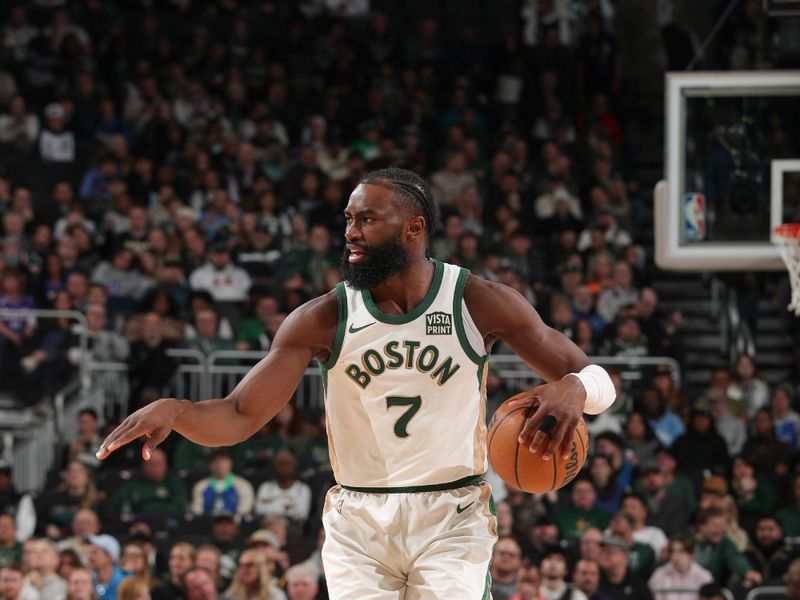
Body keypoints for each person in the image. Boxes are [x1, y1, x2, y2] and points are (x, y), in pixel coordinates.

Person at [98, 168, 616, 598]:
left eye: (367, 219)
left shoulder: (475, 300)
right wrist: (177, 410)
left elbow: (597, 378)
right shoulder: (321, 317)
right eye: (348, 218)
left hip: (451, 513)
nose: (351, 231)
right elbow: (239, 415)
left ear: (414, 228)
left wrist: (574, 387)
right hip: (358, 519)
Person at [191, 450, 254, 518]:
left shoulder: (243, 484)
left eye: (223, 461)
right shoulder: (200, 485)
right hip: (206, 523)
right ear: (209, 465)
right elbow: (197, 509)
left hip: (234, 523)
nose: (219, 464)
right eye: (215, 461)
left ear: (231, 463)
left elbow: (245, 509)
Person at [648, 536, 713, 600]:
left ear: (691, 554)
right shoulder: (659, 574)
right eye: (672, 552)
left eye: (680, 552)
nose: (674, 557)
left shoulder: (704, 576)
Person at [597, 536, 653, 600]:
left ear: (625, 556)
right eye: (602, 552)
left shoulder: (638, 586)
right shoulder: (595, 580)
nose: (604, 556)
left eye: (610, 552)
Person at [86, 534, 126, 600]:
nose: (89, 557)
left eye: (95, 552)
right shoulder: (88, 582)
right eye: (89, 552)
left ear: (109, 557)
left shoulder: (126, 582)